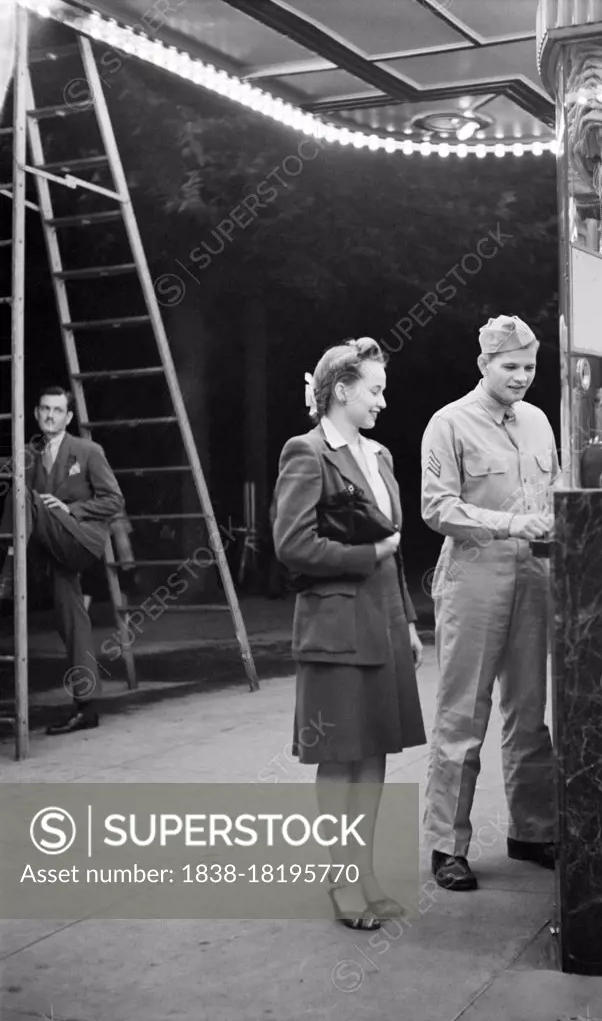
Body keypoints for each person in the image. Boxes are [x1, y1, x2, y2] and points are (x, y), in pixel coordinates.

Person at [272, 337, 425, 931]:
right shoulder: (305, 452)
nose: (383, 402)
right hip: (334, 627)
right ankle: (340, 880)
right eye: (375, 390)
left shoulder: (378, 456)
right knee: (340, 757)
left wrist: (408, 620)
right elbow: (293, 545)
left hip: (382, 621)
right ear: (341, 390)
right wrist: (366, 553)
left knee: (375, 751)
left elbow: (395, 548)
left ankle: (363, 874)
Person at [420, 314, 559, 892]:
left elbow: (555, 493)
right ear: (484, 366)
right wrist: (511, 523)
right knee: (462, 716)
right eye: (511, 367)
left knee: (529, 714)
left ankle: (533, 829)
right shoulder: (448, 424)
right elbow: (436, 507)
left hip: (534, 578)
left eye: (529, 366)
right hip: (473, 579)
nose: (522, 376)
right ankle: (446, 844)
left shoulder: (539, 422)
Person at [0, 386, 125, 734]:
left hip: (80, 539)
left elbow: (114, 500)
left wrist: (71, 507)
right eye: (44, 410)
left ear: (68, 417)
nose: (50, 416)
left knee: (22, 491)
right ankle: (87, 707)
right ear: (37, 415)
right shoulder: (29, 452)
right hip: (51, 548)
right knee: (72, 621)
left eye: (57, 410)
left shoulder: (88, 451)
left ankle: (9, 570)